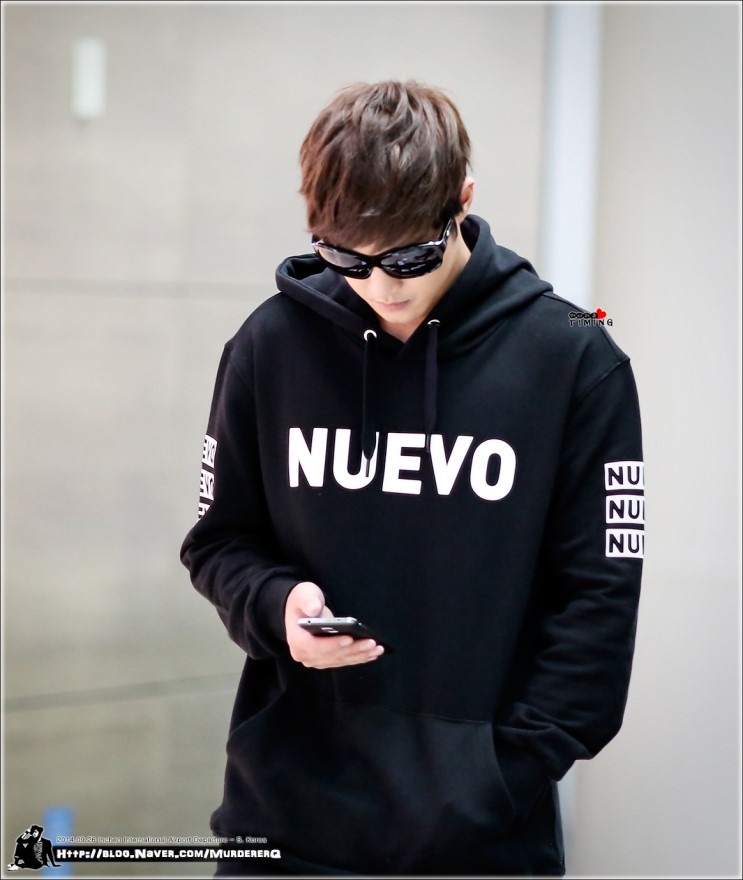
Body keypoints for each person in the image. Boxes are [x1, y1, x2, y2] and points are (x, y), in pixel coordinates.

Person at [180, 80, 644, 877]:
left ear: (462, 199)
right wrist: (276, 605)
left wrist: (500, 776)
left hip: (479, 843)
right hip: (282, 829)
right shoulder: (270, 344)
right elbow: (218, 542)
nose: (381, 288)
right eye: (347, 260)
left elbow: (597, 603)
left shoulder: (571, 356)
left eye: (408, 258)